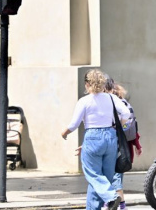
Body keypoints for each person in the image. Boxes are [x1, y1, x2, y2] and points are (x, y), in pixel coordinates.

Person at [61, 69, 130, 210]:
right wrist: (120, 126)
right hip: (110, 137)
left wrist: (65, 132)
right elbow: (126, 113)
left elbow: (74, 124)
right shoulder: (111, 98)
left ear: (87, 84)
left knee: (93, 174)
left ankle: (111, 196)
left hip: (93, 138)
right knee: (104, 177)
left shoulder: (84, 101)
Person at [106, 80, 142, 210]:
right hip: (125, 147)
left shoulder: (113, 105)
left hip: (114, 144)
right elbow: (133, 129)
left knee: (114, 175)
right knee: (117, 175)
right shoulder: (126, 104)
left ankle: (119, 204)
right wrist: (137, 145)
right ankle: (120, 204)